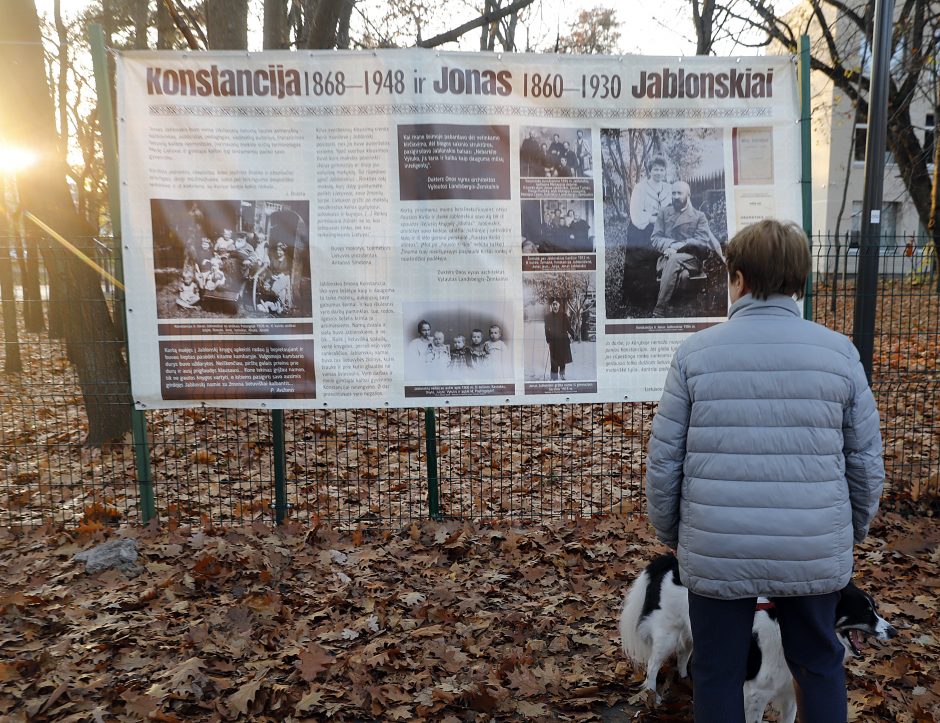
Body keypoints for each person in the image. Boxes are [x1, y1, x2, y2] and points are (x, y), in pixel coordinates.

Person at [645, 219, 884, 723]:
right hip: (813, 539)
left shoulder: (694, 355)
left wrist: (675, 535)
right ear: (800, 281)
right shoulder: (840, 354)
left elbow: (665, 460)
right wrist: (850, 531)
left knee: (715, 669)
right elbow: (865, 462)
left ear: (739, 277)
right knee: (820, 663)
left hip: (718, 541)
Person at [649, 181, 724, 318]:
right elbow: (655, 238)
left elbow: (702, 241)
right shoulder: (664, 213)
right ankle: (680, 306)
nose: (676, 196)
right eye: (673, 193)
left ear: (688, 195)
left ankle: (659, 310)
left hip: (692, 259)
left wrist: (679, 246)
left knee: (675, 258)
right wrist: (670, 245)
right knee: (683, 275)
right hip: (667, 258)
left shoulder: (699, 216)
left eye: (679, 193)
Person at [628, 156, 670, 247]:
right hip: (643, 229)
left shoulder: (668, 188)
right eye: (656, 169)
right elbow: (636, 214)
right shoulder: (640, 188)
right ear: (650, 171)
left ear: (665, 172)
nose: (659, 173)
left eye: (662, 170)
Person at [543, 298, 573, 381]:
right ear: (551, 306)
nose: (555, 306)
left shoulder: (563, 315)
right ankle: (554, 377)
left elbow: (568, 327)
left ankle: (562, 374)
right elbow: (546, 329)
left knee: (562, 360)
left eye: (556, 305)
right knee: (554, 360)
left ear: (559, 306)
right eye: (553, 305)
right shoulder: (548, 317)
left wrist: (573, 334)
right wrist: (548, 339)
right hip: (553, 342)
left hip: (563, 341)